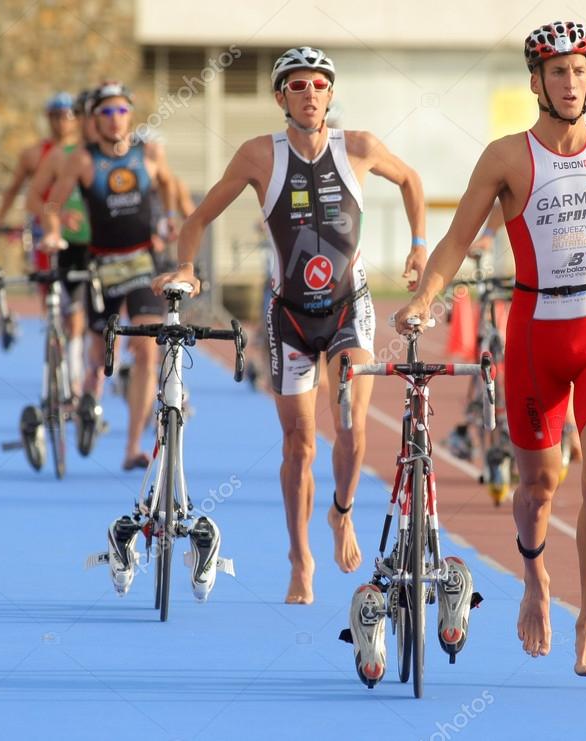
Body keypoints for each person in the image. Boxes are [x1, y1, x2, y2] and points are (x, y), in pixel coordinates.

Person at [395, 22, 586, 677]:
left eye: (579, 71)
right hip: (534, 330)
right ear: (536, 81)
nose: (572, 83)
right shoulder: (506, 157)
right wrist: (425, 299)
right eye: (558, 72)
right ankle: (535, 579)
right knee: (537, 483)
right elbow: (457, 240)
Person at [152, 47, 429, 607]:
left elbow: (411, 181)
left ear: (330, 95)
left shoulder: (360, 147)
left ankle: (342, 511)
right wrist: (187, 265)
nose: (309, 94)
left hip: (350, 307)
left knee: (350, 426)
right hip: (288, 316)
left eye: (318, 86)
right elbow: (199, 217)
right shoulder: (259, 155)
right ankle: (300, 557)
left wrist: (420, 248)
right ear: (281, 97)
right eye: (297, 86)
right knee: (300, 444)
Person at [40, 81, 177, 472]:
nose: (115, 119)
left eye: (121, 111)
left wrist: (167, 219)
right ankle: (89, 397)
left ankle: (133, 445)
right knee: (102, 355)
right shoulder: (81, 161)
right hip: (103, 265)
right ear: (94, 120)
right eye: (106, 112)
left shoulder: (147, 153)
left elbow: (167, 184)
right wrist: (52, 230)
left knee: (149, 350)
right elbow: (52, 202)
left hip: (143, 264)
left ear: (130, 115)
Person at [25, 90, 98, 427]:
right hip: (67, 244)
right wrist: (58, 220)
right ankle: (67, 383)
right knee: (71, 314)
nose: (70, 122)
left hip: (98, 246)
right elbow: (34, 200)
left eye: (73, 114)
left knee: (89, 317)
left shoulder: (110, 153)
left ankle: (84, 385)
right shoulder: (58, 156)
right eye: (67, 115)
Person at [0, 92, 78, 227]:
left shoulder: (85, 153)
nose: (63, 121)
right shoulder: (33, 154)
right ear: (49, 118)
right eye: (57, 115)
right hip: (43, 223)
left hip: (78, 223)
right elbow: (14, 188)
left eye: (69, 115)